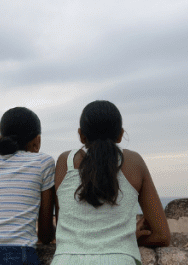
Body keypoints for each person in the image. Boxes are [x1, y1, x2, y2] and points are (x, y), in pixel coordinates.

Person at [51, 100, 170, 265]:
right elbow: (162, 235)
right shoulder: (134, 162)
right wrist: (126, 239)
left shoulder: (65, 161)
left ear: (81, 134)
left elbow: (62, 222)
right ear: (120, 135)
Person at [0, 106, 55, 264]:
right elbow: (45, 235)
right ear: (37, 141)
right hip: (17, 254)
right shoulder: (43, 162)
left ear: (1, 137)